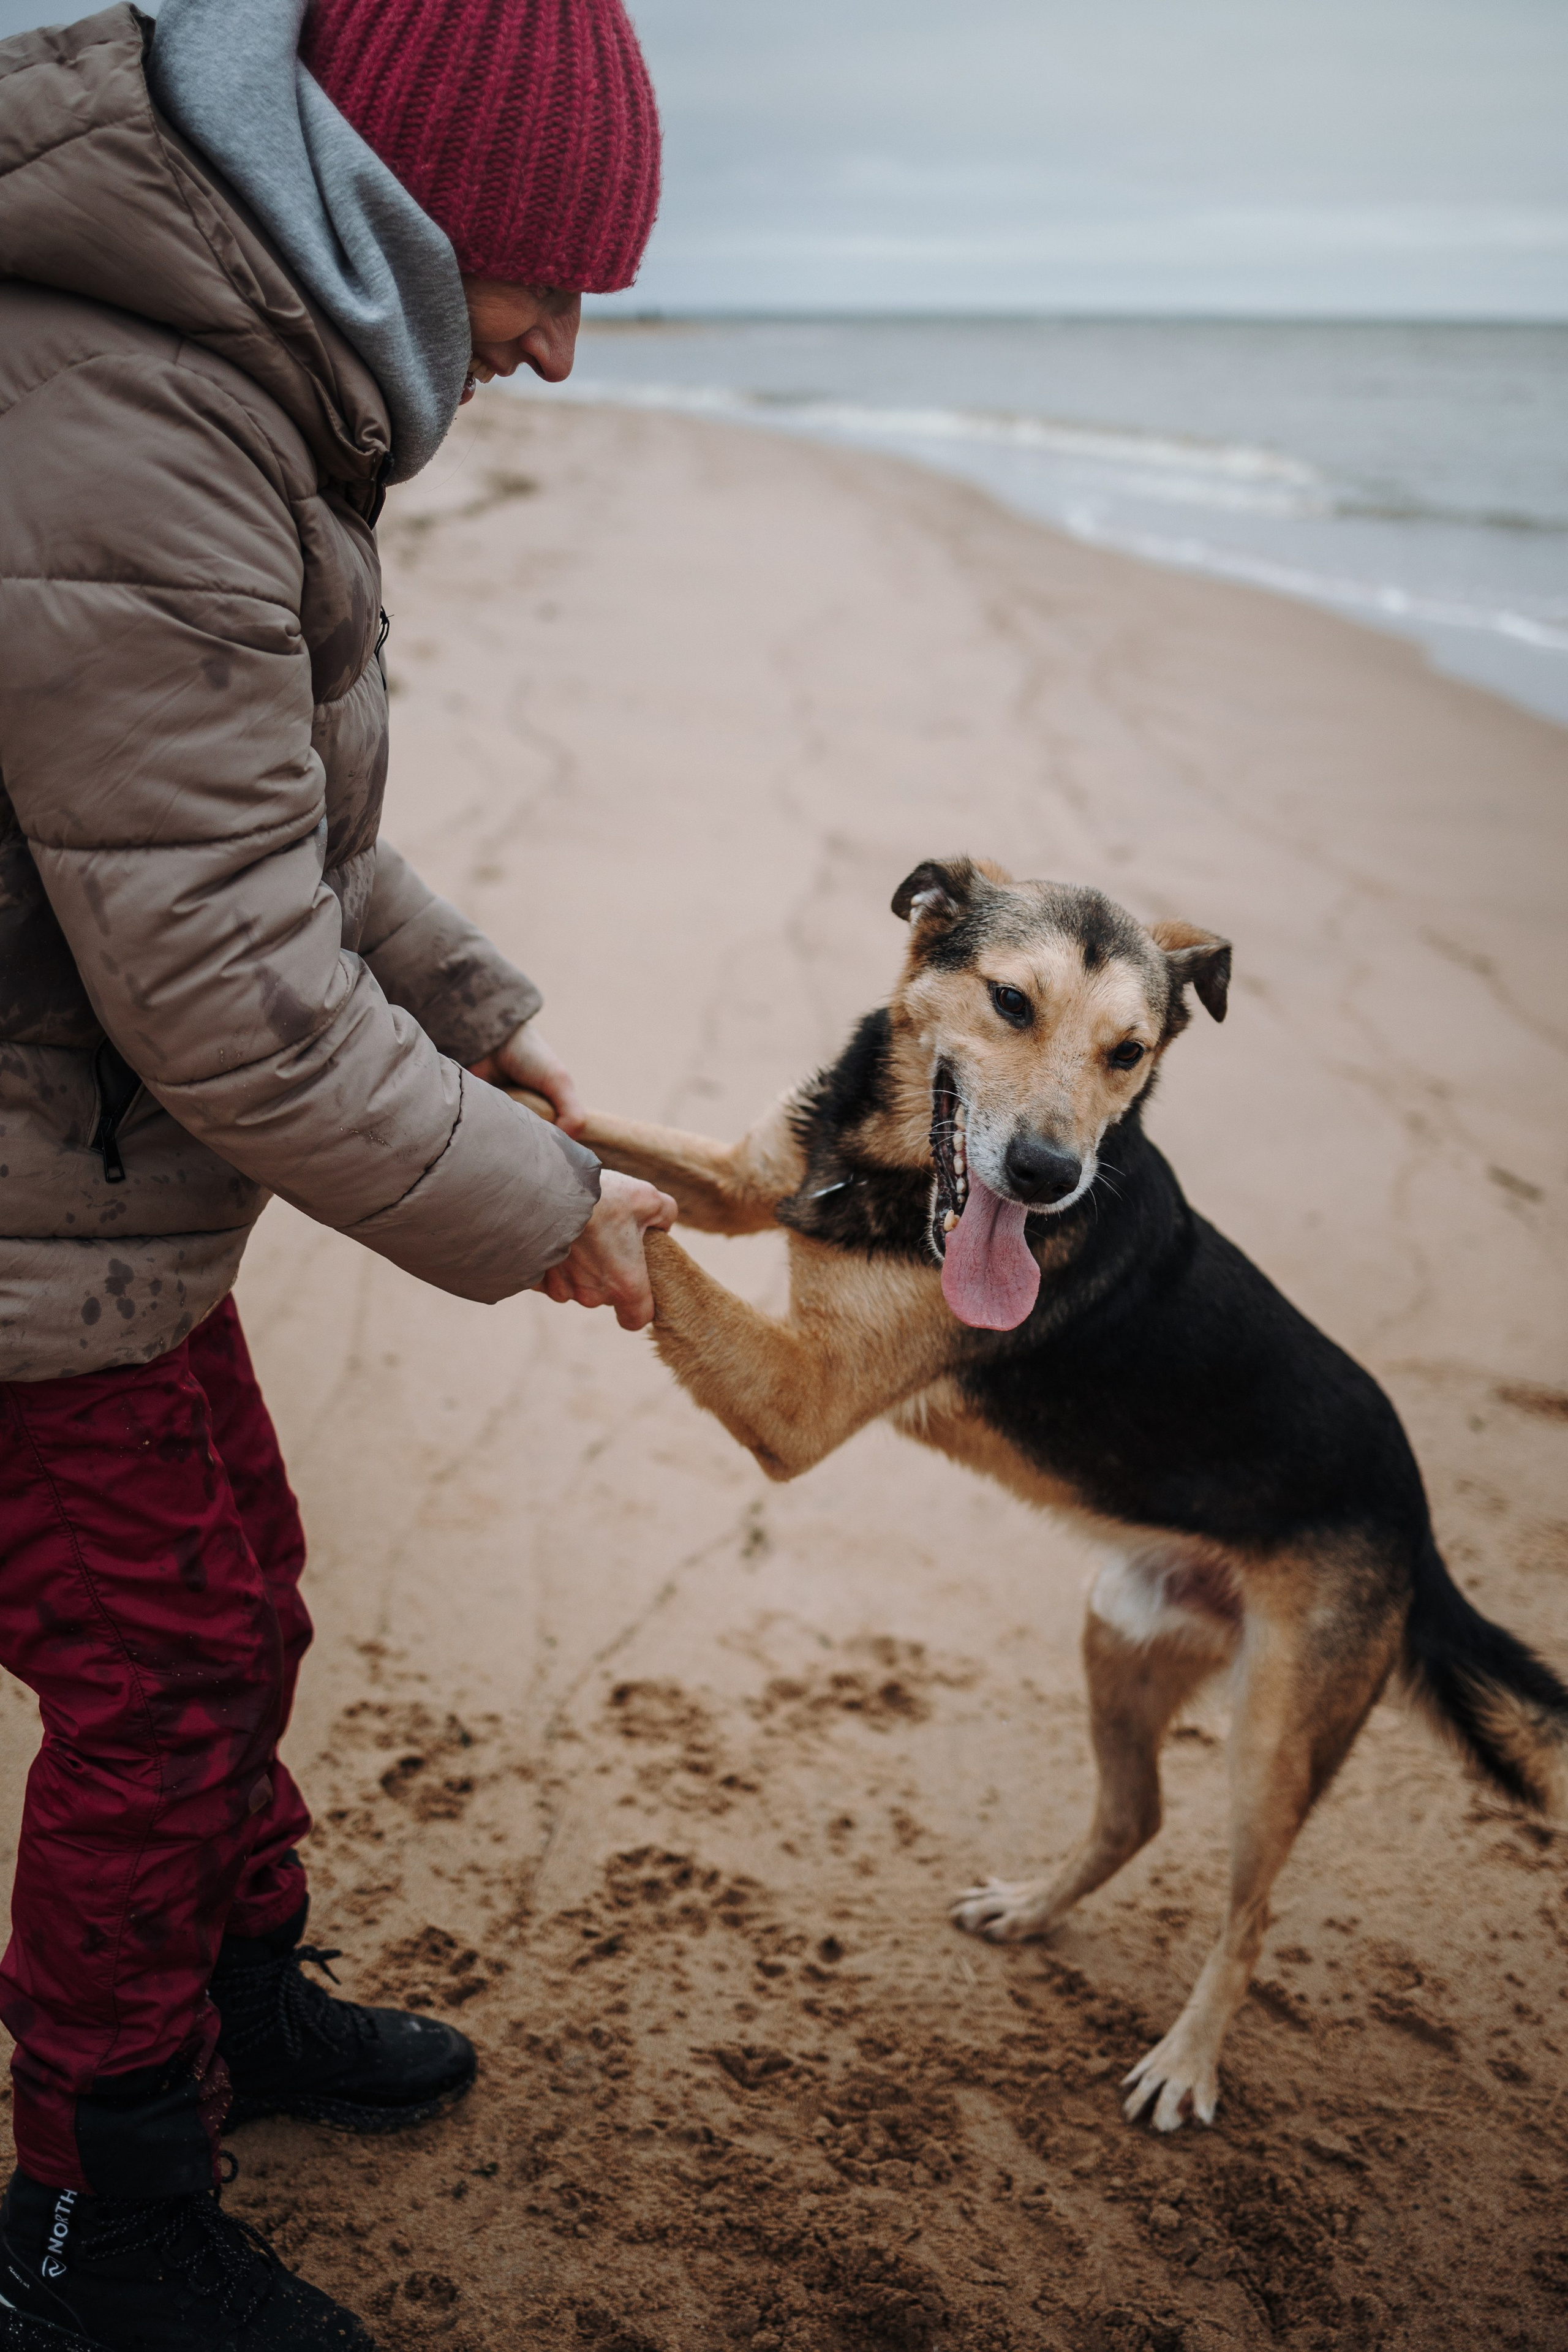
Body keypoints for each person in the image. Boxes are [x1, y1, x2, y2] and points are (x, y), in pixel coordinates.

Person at [0, 1, 674, 2342]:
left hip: (79, 1190)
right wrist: (538, 1211)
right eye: (548, 279)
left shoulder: (228, 373)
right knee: (162, 1667)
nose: (562, 350)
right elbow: (214, 974)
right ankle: (106, 2217)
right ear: (397, 203)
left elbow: (253, 826)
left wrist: (486, 1026)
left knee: (241, 1590)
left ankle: (236, 2000)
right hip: (11, 1213)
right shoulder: (124, 408)